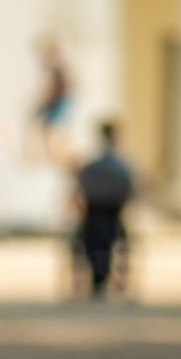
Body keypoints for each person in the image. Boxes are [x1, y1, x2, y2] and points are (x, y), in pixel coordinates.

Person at [72, 122, 134, 299]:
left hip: (93, 215)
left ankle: (97, 277)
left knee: (91, 243)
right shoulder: (122, 167)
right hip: (113, 215)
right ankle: (105, 277)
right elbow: (129, 192)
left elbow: (79, 191)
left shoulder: (91, 166)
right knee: (110, 243)